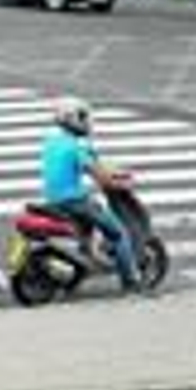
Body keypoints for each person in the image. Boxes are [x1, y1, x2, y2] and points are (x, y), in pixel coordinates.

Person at [39, 97, 141, 293]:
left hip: (53, 200)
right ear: (71, 119)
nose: (86, 121)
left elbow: (94, 164)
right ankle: (131, 281)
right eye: (82, 117)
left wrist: (108, 172)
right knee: (118, 234)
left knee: (85, 231)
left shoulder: (52, 142)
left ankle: (80, 266)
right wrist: (117, 182)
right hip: (75, 200)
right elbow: (97, 174)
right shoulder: (76, 147)